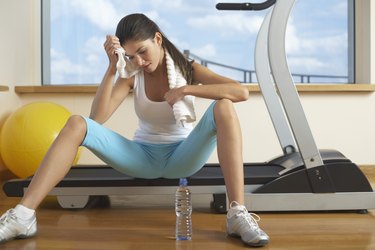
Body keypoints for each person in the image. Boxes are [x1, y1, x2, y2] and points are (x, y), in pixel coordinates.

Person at [0, 13, 269, 247]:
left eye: (142, 51)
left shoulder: (188, 69)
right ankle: (23, 216)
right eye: (130, 56)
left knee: (224, 105)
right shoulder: (131, 76)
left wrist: (186, 89)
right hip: (141, 157)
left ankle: (236, 214)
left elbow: (240, 92)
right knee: (77, 123)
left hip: (183, 156)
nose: (138, 61)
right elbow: (97, 119)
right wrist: (111, 69)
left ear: (158, 39)